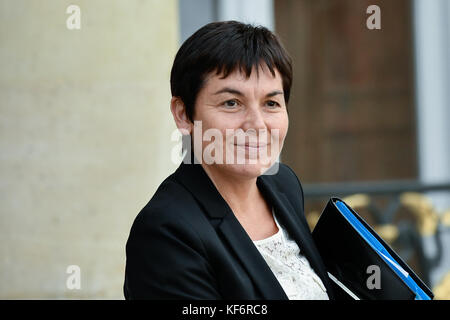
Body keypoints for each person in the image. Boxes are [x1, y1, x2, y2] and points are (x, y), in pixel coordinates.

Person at [123, 21, 335, 300]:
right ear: (184, 114)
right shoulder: (166, 233)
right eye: (231, 103)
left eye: (271, 103)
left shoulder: (283, 184)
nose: (257, 125)